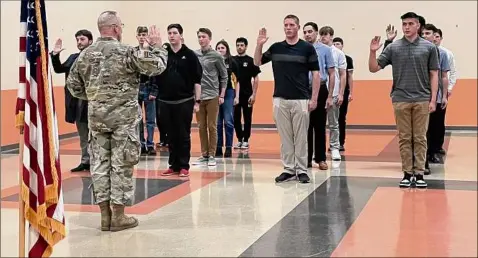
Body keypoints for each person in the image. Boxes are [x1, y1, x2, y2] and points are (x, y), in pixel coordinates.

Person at [66, 10, 168, 231]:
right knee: (122, 163)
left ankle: (104, 216)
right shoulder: (127, 52)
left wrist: (97, 97)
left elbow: (73, 86)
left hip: (97, 119)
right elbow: (157, 66)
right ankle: (119, 217)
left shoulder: (85, 55)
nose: (121, 28)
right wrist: (158, 46)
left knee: (100, 164)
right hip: (124, 120)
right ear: (115, 28)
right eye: (120, 25)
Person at [369, 12, 439, 188]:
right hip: (400, 99)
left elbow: (434, 74)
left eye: (410, 24)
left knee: (420, 137)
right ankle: (408, 173)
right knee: (405, 137)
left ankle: (420, 173)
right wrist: (372, 51)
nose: (406, 27)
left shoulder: (429, 47)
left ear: (418, 26)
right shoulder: (394, 47)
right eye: (404, 24)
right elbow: (374, 68)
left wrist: (433, 100)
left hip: (422, 99)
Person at [254, 14, 320, 184]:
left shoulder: (307, 48)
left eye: (291, 25)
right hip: (280, 99)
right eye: (286, 25)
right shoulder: (276, 48)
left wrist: (314, 99)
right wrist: (259, 45)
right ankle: (289, 169)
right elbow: (257, 62)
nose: (288, 27)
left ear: (298, 27)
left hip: (301, 99)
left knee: (301, 137)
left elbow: (316, 74)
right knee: (285, 137)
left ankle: (302, 170)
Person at [157, 24, 203, 177]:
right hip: (165, 101)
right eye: (169, 33)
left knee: (183, 134)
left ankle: (184, 165)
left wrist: (197, 101)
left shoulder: (189, 55)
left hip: (184, 101)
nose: (171, 35)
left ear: (181, 36)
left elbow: (197, 80)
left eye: (174, 33)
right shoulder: (163, 53)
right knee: (170, 135)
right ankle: (173, 165)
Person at [50, 29, 93, 172]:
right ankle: (85, 160)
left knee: (96, 135)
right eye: (78, 40)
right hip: (77, 103)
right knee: (83, 134)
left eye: (82, 39)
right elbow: (59, 69)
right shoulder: (74, 57)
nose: (79, 42)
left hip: (93, 102)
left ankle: (97, 162)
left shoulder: (96, 58)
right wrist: (55, 55)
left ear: (90, 41)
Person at [303, 22, 336, 170]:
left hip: (321, 89)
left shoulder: (325, 50)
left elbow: (331, 73)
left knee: (320, 125)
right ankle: (306, 158)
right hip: (304, 90)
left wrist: (330, 96)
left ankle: (321, 158)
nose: (307, 34)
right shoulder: (300, 49)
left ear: (316, 33)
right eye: (305, 32)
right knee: (305, 126)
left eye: (310, 31)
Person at [193, 28, 228, 166]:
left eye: (204, 36)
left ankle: (212, 155)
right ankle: (204, 154)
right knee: (201, 126)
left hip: (213, 95)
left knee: (212, 126)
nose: (201, 39)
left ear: (209, 38)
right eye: (199, 37)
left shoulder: (216, 56)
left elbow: (224, 76)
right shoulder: (194, 55)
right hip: (199, 96)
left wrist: (222, 94)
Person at [421, 24, 449, 169]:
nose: (425, 36)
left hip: (436, 96)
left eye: (428, 33)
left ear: (434, 35)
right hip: (421, 96)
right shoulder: (419, 52)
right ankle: (421, 158)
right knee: (422, 129)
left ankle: (433, 152)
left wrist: (444, 96)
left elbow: (444, 76)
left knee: (435, 126)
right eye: (423, 33)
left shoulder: (442, 54)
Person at [318, 26, 347, 161]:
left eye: (326, 34)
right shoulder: (316, 51)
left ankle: (335, 147)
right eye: (321, 34)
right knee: (318, 123)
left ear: (331, 36)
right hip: (319, 92)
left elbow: (342, 75)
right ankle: (317, 150)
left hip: (334, 93)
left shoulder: (338, 53)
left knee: (334, 123)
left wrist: (341, 93)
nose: (323, 37)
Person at [233, 37, 261, 150]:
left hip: (247, 94)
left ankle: (246, 140)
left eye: (242, 45)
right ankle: (239, 139)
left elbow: (256, 78)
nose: (239, 47)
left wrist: (253, 94)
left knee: (247, 117)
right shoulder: (232, 60)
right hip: (235, 95)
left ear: (246, 46)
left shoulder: (251, 61)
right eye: (238, 45)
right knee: (236, 118)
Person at [134, 26, 158, 155]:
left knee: (150, 119)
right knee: (138, 119)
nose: (142, 37)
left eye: (144, 34)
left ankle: (150, 143)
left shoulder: (152, 52)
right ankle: (141, 143)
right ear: (137, 36)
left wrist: (154, 91)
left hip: (149, 88)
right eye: (140, 35)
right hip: (137, 88)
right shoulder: (133, 52)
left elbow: (156, 72)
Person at [215, 40, 240, 157]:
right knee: (218, 122)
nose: (220, 50)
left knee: (228, 120)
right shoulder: (213, 61)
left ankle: (229, 147)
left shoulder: (232, 61)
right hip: (215, 92)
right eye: (218, 48)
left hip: (229, 92)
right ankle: (218, 147)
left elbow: (237, 80)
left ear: (227, 49)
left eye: (222, 48)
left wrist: (237, 96)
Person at [332, 37, 354, 151]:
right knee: (331, 119)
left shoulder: (347, 59)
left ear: (342, 45)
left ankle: (341, 142)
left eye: (338, 43)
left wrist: (351, 92)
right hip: (331, 91)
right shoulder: (330, 56)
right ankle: (332, 142)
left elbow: (349, 76)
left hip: (343, 91)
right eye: (334, 43)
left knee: (341, 118)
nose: (336, 45)